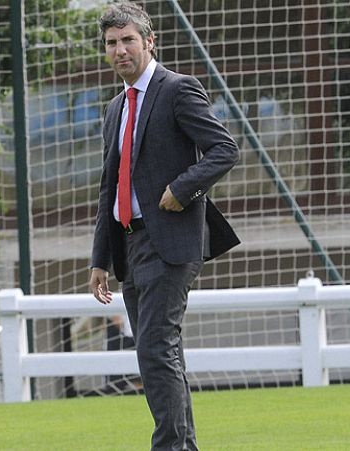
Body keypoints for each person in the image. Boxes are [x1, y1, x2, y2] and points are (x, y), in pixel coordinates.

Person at [89, 3, 240, 450]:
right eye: (112, 43)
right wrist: (100, 259)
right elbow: (108, 189)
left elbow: (223, 149)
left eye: (128, 40)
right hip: (130, 247)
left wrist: (182, 187)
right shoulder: (115, 107)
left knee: (155, 350)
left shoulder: (177, 89)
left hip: (171, 242)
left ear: (148, 42)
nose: (120, 50)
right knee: (159, 352)